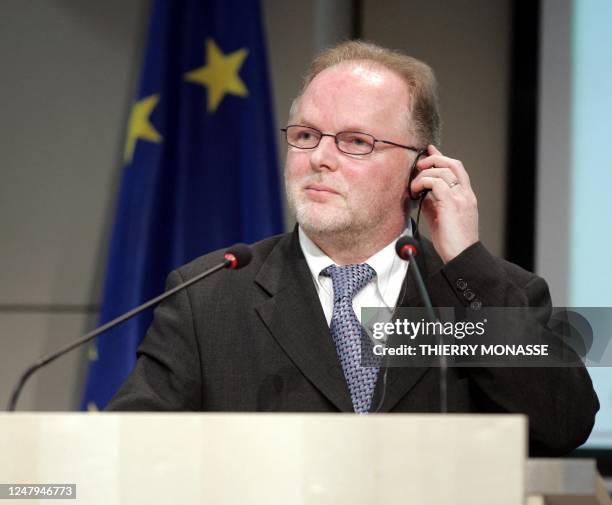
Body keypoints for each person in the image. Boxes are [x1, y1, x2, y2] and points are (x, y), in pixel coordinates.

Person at [107, 40, 598, 456]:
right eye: (305, 135)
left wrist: (466, 259)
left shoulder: (490, 294)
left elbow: (563, 424)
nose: (319, 158)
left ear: (421, 166)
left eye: (355, 142)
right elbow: (127, 452)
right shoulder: (210, 296)